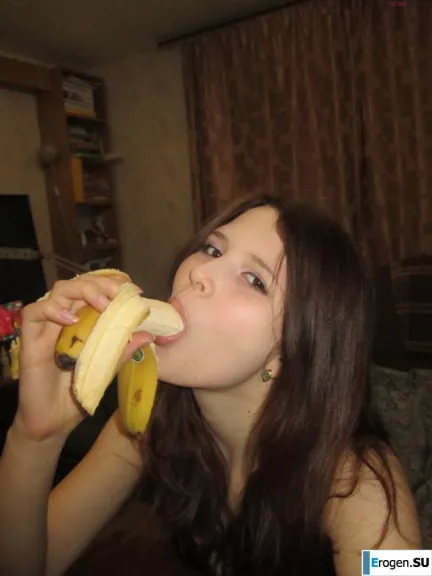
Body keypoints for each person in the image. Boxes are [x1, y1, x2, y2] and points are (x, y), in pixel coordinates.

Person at [0, 194, 422, 576]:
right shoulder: (146, 420)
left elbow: (407, 568)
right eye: (212, 249)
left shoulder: (365, 486)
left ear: (293, 352)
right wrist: (34, 438)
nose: (200, 272)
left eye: (254, 280)